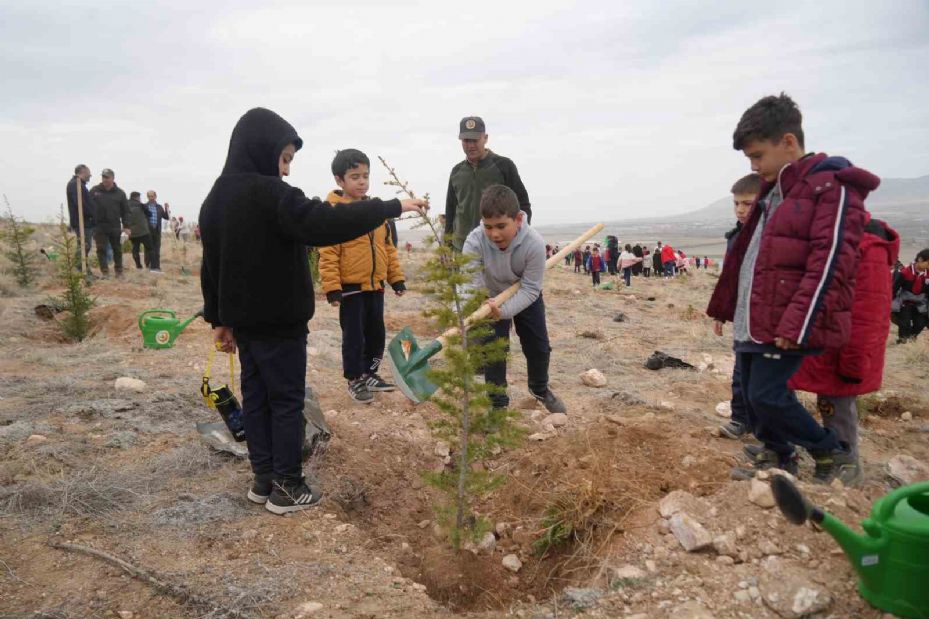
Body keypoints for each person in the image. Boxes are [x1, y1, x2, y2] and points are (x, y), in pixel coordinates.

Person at [199, 108, 427, 514]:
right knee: (286, 400)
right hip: (281, 321)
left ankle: (263, 478)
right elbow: (326, 222)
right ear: (261, 150)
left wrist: (218, 319)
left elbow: (211, 264)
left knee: (257, 398)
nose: (285, 171)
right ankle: (288, 486)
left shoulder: (215, 199)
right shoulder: (272, 195)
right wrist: (391, 206)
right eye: (283, 159)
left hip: (246, 325)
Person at [707, 93, 876, 483]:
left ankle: (830, 449)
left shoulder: (829, 188)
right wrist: (725, 305)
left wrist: (797, 325)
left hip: (786, 320)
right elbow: (746, 256)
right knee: (752, 395)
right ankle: (778, 454)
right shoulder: (773, 191)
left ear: (788, 142)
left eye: (758, 155)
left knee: (767, 395)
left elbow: (831, 261)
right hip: (757, 317)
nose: (754, 166)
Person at [787, 215, 899, 485]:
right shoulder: (835, 236)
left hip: (843, 350)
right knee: (819, 400)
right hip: (823, 343)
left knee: (837, 405)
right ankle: (820, 454)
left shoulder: (868, 248)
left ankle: (846, 465)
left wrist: (855, 361)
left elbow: (867, 313)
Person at [462, 184, 565, 414]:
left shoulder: (534, 243)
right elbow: (469, 281)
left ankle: (539, 388)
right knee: (494, 351)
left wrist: (506, 310)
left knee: (539, 347)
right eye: (488, 226)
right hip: (489, 298)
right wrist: (479, 304)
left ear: (518, 219)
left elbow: (530, 288)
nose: (494, 234)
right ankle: (497, 404)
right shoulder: (475, 240)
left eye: (501, 226)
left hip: (525, 295)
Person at [319, 149, 406, 403]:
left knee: (376, 333)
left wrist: (396, 278)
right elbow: (328, 253)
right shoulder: (334, 213)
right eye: (355, 176)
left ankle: (370, 373)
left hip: (375, 286)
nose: (362, 182)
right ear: (339, 180)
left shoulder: (376, 212)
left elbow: (387, 248)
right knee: (354, 336)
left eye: (365, 176)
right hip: (351, 289)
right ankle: (354, 378)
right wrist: (332, 288)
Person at [445, 116, 531, 251]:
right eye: (466, 140)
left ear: (485, 138)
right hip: (461, 247)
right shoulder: (456, 172)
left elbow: (523, 204)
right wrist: (447, 246)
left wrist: (520, 238)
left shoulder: (504, 166)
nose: (471, 145)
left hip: (495, 247)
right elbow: (450, 211)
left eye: (475, 140)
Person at [718, 173, 760, 440]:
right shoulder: (736, 237)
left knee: (766, 380)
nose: (741, 209)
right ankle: (739, 419)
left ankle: (768, 429)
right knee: (740, 371)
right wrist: (722, 312)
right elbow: (730, 279)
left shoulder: (770, 235)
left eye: (747, 203)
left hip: (765, 318)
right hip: (742, 317)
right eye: (737, 204)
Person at [89, 168, 130, 277]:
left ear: (112, 178)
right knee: (101, 249)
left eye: (107, 177)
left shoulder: (120, 193)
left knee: (117, 248)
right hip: (99, 226)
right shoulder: (94, 191)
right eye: (103, 177)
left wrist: (127, 226)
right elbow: (88, 207)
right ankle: (105, 272)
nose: (105, 179)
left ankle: (119, 271)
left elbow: (125, 211)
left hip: (115, 226)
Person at [891, 249, 929, 342]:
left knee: (921, 323)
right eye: (928, 263)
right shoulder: (905, 272)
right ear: (920, 260)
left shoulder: (928, 275)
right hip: (905, 302)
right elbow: (894, 288)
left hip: (920, 303)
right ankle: (902, 340)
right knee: (905, 322)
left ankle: (912, 337)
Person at [66, 164, 96, 271]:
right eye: (89, 173)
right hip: (82, 222)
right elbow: (80, 204)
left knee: (85, 246)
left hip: (85, 222)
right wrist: (91, 214)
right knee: (84, 246)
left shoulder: (80, 185)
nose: (90, 175)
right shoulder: (75, 184)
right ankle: (80, 269)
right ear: (82, 172)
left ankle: (84, 270)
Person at [125, 191, 154, 270]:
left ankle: (138, 266)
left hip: (132, 232)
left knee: (135, 249)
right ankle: (151, 266)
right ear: (137, 197)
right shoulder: (141, 205)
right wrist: (142, 205)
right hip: (143, 231)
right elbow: (149, 214)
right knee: (150, 248)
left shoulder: (125, 204)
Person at [144, 191, 170, 272]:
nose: (151, 198)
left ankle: (157, 266)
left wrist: (167, 208)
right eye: (149, 196)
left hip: (157, 230)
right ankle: (149, 265)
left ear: (155, 196)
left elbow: (166, 217)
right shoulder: (144, 206)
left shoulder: (159, 207)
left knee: (157, 249)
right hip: (148, 230)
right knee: (148, 249)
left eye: (152, 196)